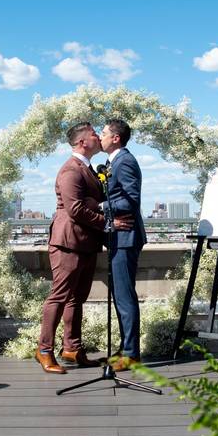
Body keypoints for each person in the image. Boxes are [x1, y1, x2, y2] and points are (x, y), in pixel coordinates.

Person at [36, 122, 131, 374]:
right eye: (93, 134)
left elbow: (90, 202)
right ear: (82, 142)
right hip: (68, 243)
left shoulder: (87, 168)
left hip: (86, 243)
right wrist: (109, 222)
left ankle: (72, 349)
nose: (98, 136)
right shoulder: (71, 170)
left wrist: (96, 202)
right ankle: (44, 349)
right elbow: (75, 209)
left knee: (77, 298)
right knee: (59, 296)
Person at [99, 119, 147, 371]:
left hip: (126, 238)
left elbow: (131, 200)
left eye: (104, 133)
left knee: (125, 297)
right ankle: (125, 348)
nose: (101, 136)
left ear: (116, 138)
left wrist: (101, 206)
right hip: (117, 237)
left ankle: (131, 353)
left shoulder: (125, 161)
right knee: (120, 296)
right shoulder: (113, 162)